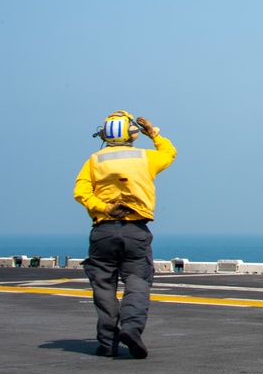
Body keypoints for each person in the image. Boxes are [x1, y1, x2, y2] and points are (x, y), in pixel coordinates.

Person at [74, 110, 177, 359]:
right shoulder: (146, 158)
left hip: (103, 230)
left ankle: (107, 343)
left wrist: (104, 207)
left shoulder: (95, 160)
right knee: (138, 282)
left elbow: (81, 192)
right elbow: (169, 154)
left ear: (104, 134)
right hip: (135, 230)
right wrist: (154, 133)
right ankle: (131, 328)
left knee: (103, 286)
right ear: (132, 133)